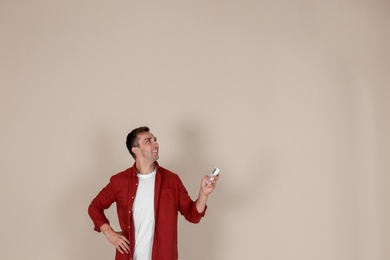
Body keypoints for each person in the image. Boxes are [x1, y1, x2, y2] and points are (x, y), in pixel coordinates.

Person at [88, 126, 219, 260]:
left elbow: (193, 215)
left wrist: (203, 194)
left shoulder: (172, 180)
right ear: (136, 150)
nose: (156, 143)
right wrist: (109, 233)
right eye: (148, 141)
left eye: (155, 140)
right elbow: (94, 207)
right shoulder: (119, 181)